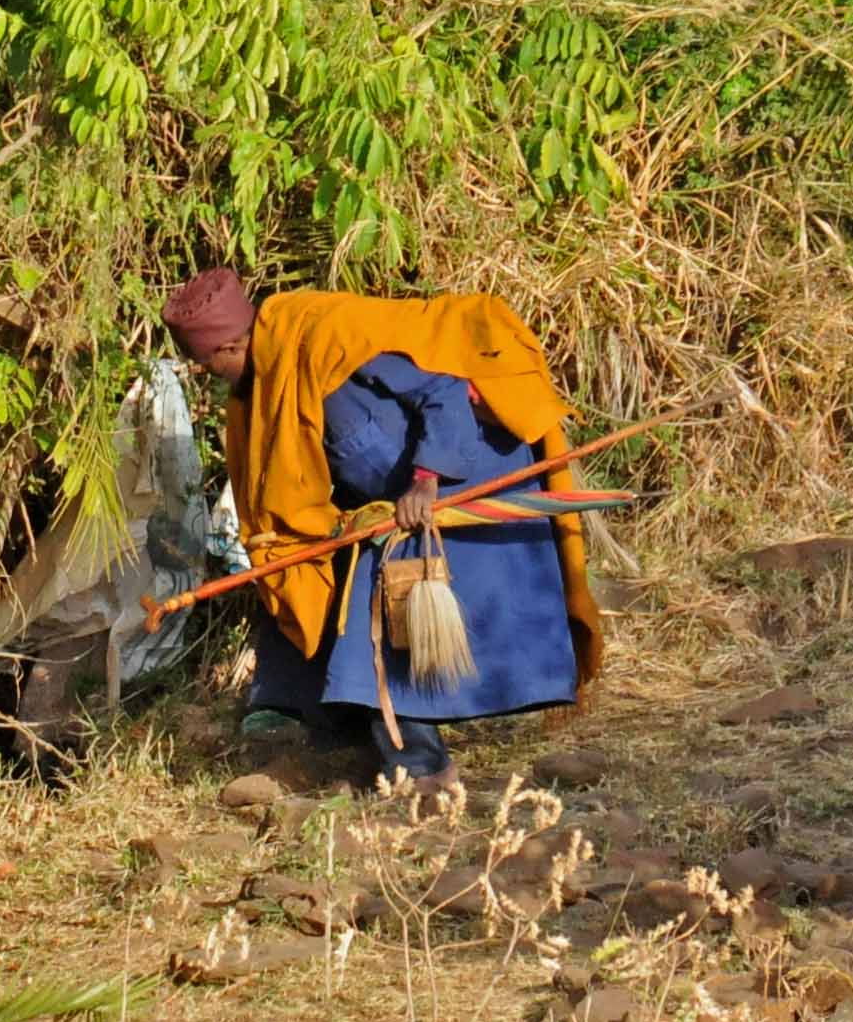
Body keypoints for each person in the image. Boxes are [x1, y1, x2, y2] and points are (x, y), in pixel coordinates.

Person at [160, 267, 602, 792]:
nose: (210, 375)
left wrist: (426, 479)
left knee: (372, 625)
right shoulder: (261, 383)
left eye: (207, 365)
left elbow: (444, 390)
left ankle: (421, 772)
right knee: (328, 588)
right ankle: (335, 734)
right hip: (389, 504)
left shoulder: (328, 339)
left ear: (231, 346)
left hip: (465, 472)